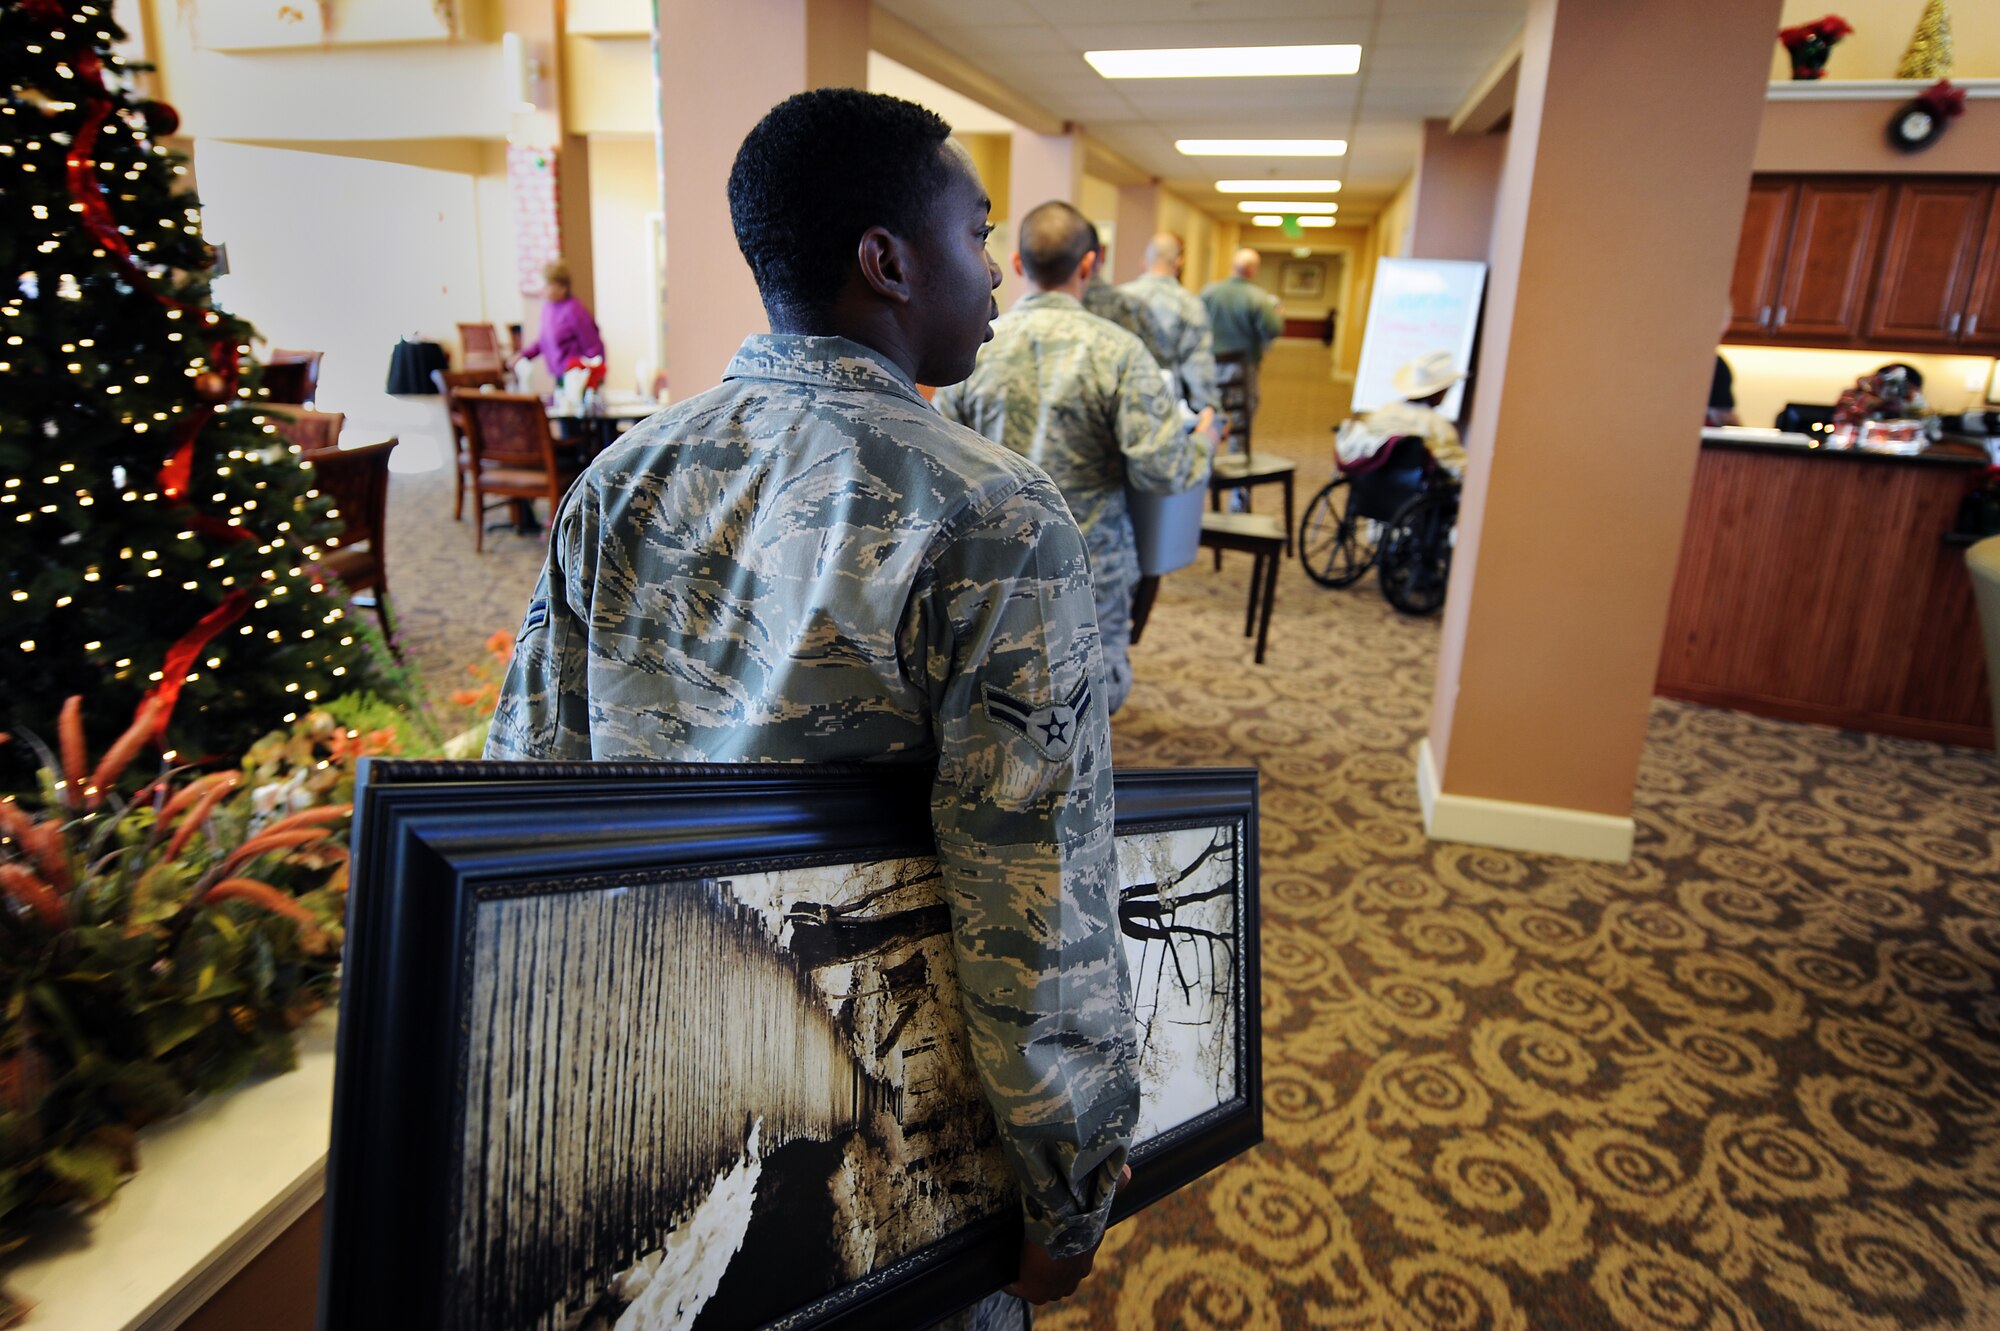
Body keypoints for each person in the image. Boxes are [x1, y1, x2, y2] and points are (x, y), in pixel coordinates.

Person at [484, 90, 1137, 1330]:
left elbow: (528, 809)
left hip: (659, 1095)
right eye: (974, 233)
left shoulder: (618, 481)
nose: (995, 271)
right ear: (886, 263)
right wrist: (1068, 1183)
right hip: (909, 1151)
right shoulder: (996, 515)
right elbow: (1033, 902)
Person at [936, 200, 1212, 717]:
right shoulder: (1122, 353)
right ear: (1091, 264)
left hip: (991, 562)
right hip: (1091, 563)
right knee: (1092, 693)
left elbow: (943, 457)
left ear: (1016, 264)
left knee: (993, 692)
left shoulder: (973, 351)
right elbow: (1163, 469)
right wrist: (1204, 442)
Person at [1118, 231, 1220, 412]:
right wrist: (1209, 408)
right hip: (1166, 404)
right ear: (1179, 261)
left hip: (1119, 401)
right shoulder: (1189, 304)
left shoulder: (1119, 297)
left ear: (1144, 261)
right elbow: (1197, 362)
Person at [1335, 350, 1469, 477]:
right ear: (1439, 391)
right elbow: (1457, 466)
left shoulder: (1383, 412)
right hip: (1415, 488)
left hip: (1373, 481)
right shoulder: (1437, 424)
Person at [1201, 248, 1283, 433]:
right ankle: (1237, 448)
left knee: (1210, 406)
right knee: (1245, 405)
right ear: (1253, 269)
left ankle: (1209, 442)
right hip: (1243, 365)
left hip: (1209, 362)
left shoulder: (1209, 292)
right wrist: (1278, 315)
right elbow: (1272, 330)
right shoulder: (1259, 297)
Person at [511, 258, 605, 378]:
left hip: (576, 377)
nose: (543, 289)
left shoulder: (574, 310)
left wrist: (594, 380)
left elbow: (593, 347)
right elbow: (544, 340)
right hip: (558, 375)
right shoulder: (548, 308)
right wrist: (523, 355)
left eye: (548, 285)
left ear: (562, 287)